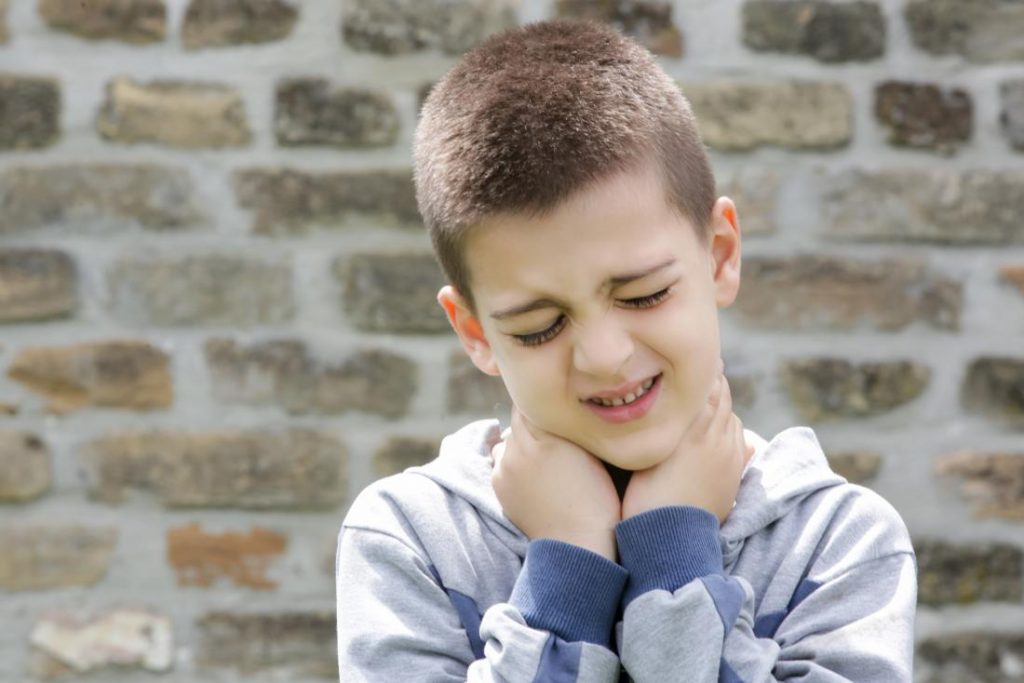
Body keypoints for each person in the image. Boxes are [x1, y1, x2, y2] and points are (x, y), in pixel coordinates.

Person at [336, 19, 916, 682]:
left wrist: (675, 559)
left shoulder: (838, 542)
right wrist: (566, 569)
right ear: (474, 333)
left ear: (719, 255)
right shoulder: (411, 541)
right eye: (539, 326)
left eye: (643, 294)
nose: (605, 356)